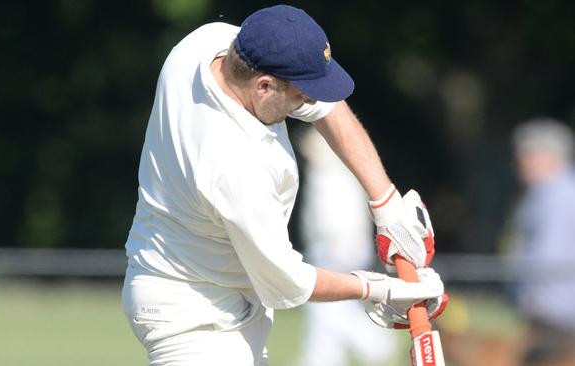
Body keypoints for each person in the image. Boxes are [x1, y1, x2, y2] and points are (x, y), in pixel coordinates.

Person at [121, 5, 447, 365]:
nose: (308, 102)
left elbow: (327, 107)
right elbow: (287, 282)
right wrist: (381, 289)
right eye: (301, 95)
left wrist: (386, 205)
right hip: (196, 321)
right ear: (264, 87)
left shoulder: (206, 46)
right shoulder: (233, 165)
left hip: (204, 295)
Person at [297, 127, 398, 366]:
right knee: (328, 306)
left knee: (328, 303)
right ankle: (325, 354)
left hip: (335, 247)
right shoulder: (336, 174)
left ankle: (371, 344)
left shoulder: (329, 177)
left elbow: (333, 217)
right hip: (339, 246)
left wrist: (335, 244)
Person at [508, 117, 575, 365]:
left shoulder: (556, 195)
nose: (519, 162)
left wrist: (534, 299)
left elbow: (549, 253)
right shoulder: (556, 191)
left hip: (553, 311)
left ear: (547, 156)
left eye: (525, 154)